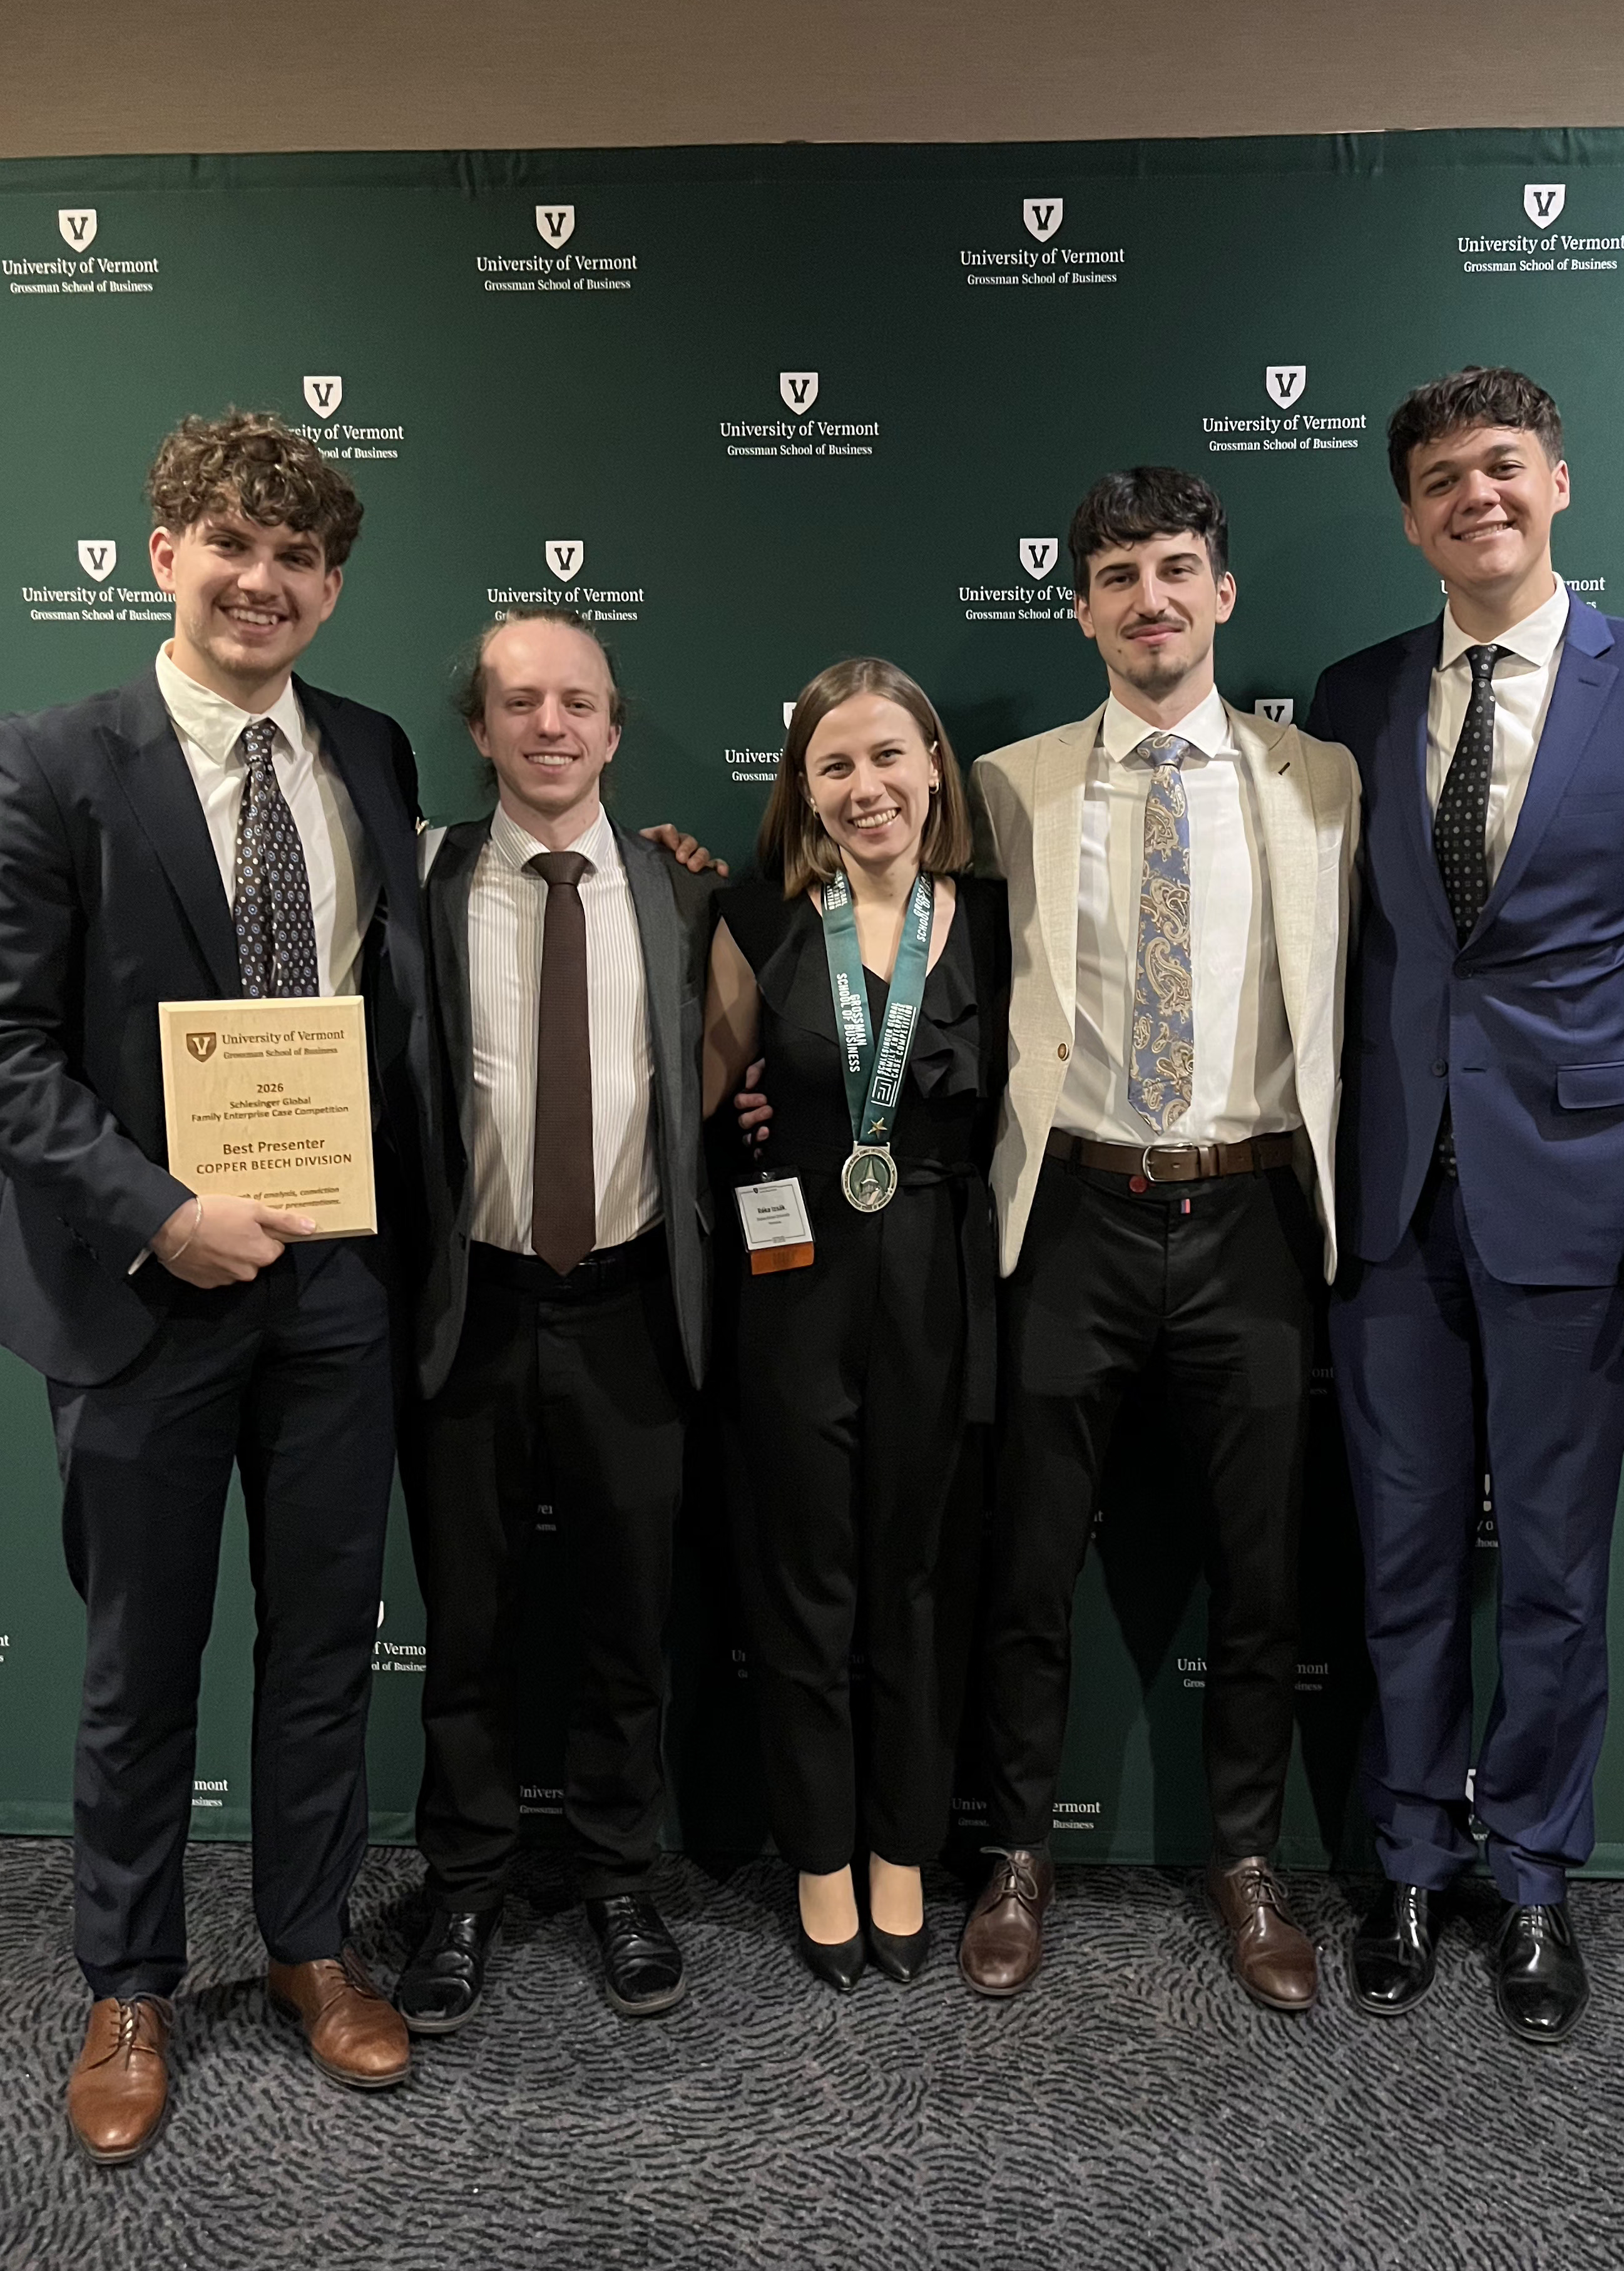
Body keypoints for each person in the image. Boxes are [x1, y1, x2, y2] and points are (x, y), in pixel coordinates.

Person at [0, 411, 429, 2162]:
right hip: (142, 1292)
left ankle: (309, 1944)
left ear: (332, 586)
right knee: (141, 1661)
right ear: (165, 554)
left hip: (336, 1288)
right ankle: (132, 1982)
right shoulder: (48, 759)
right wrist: (160, 1213)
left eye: (298, 557)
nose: (261, 581)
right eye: (231, 543)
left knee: (325, 1645)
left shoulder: (371, 751)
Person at [1309, 366, 1624, 2043]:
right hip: (1387, 1206)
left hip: (1583, 1204)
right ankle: (1413, 1860)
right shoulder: (1355, 696)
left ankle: (1537, 1874)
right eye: (1440, 478)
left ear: (1557, 482)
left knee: (1557, 1568)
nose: (1474, 496)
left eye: (1501, 465)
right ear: (1410, 517)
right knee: (1404, 1555)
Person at [963, 467, 1360, 2011]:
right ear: (1081, 610)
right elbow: (873, 916)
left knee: (1261, 1573)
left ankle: (1247, 1861)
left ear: (1223, 592)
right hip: (1072, 1213)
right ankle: (1015, 1852)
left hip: (1253, 1212)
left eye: (1178, 569)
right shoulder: (1009, 785)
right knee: (1027, 1563)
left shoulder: (1324, 780)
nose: (1153, 601)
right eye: (1120, 577)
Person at [397, 608, 717, 2029]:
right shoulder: (422, 880)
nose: (550, 726)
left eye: (577, 702)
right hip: (472, 1304)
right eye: (520, 702)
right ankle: (463, 1885)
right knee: (467, 1622)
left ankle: (615, 1874)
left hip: (632, 1306)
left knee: (625, 1616)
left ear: (614, 727)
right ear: (480, 729)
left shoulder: (678, 889)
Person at [702, 659, 1008, 1990]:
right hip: (795, 1285)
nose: (866, 785)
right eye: (835, 764)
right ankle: (820, 1853)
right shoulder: (750, 917)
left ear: (935, 766)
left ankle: (903, 1848)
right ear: (803, 786)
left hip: (944, 1285)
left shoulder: (999, 921)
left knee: (920, 1581)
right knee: (806, 1579)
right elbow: (701, 1106)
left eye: (890, 755)